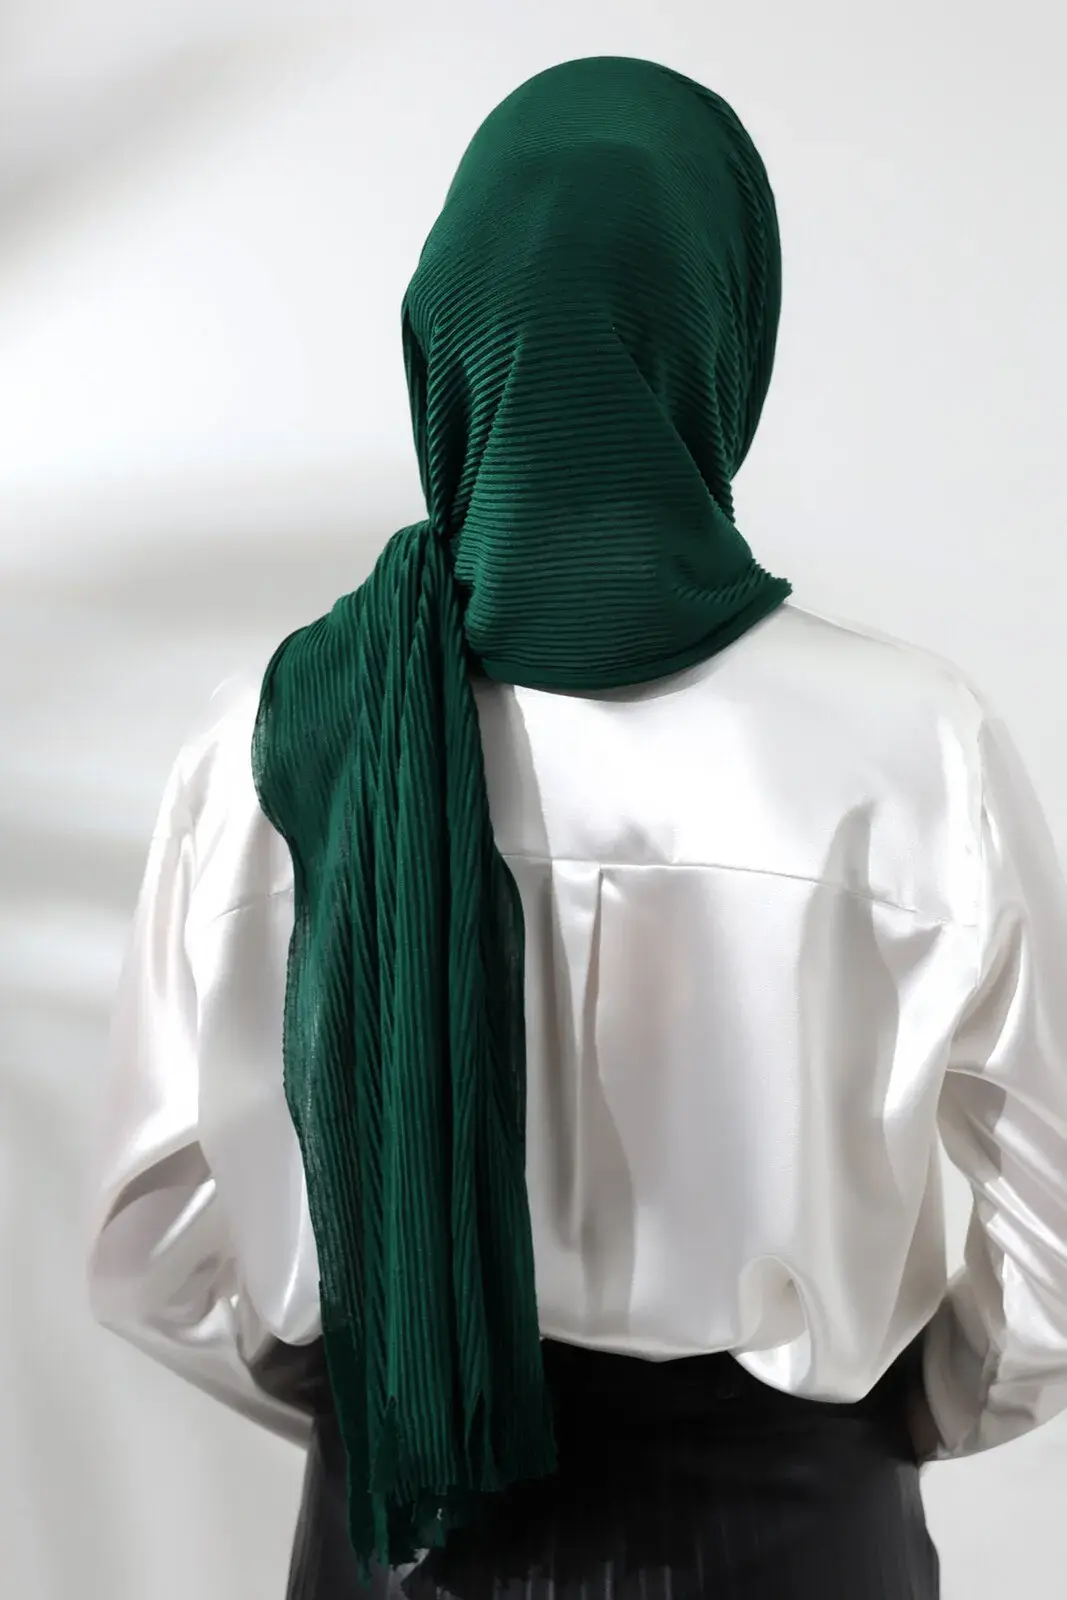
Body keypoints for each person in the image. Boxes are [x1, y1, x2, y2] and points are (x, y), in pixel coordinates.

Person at [87, 55, 1067, 1600]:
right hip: (794, 1535)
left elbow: (153, 1252)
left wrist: (395, 1403)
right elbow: (1054, 1248)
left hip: (406, 1536)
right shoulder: (914, 748)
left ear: (444, 340)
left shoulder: (274, 737)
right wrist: (888, 1426)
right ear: (723, 334)